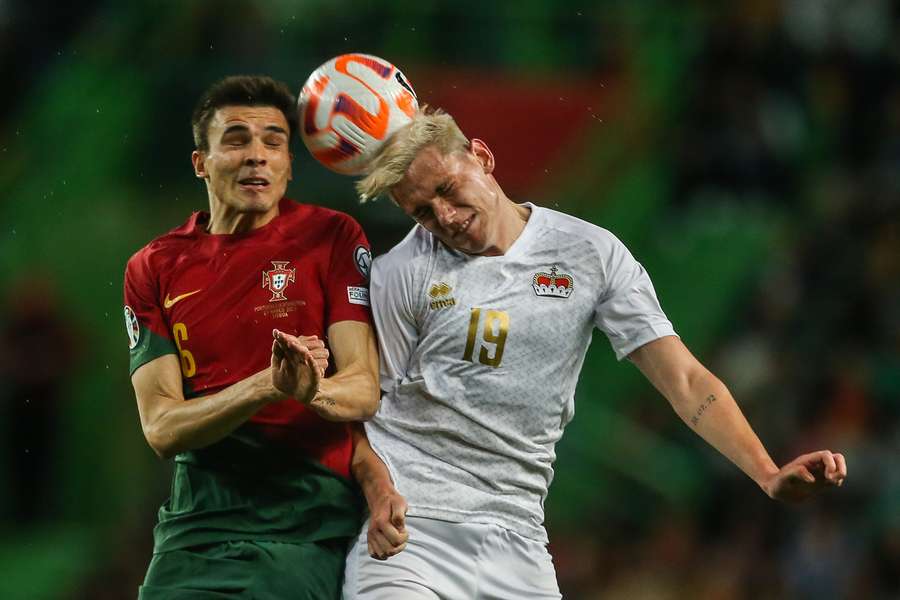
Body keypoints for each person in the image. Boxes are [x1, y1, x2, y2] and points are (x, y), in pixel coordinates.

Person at [341, 108, 849, 599]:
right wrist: (379, 493)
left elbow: (685, 381)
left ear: (482, 157)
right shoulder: (401, 273)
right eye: (423, 212)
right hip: (411, 535)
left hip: (518, 537)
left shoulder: (590, 253)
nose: (445, 217)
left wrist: (766, 472)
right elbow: (365, 414)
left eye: (447, 190)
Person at [123, 75, 403, 599]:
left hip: (298, 525)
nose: (257, 155)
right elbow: (161, 428)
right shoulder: (154, 266)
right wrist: (268, 386)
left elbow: (363, 388)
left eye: (274, 142)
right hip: (194, 526)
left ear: (290, 164)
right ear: (200, 162)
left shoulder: (332, 237)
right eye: (236, 140)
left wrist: (310, 391)